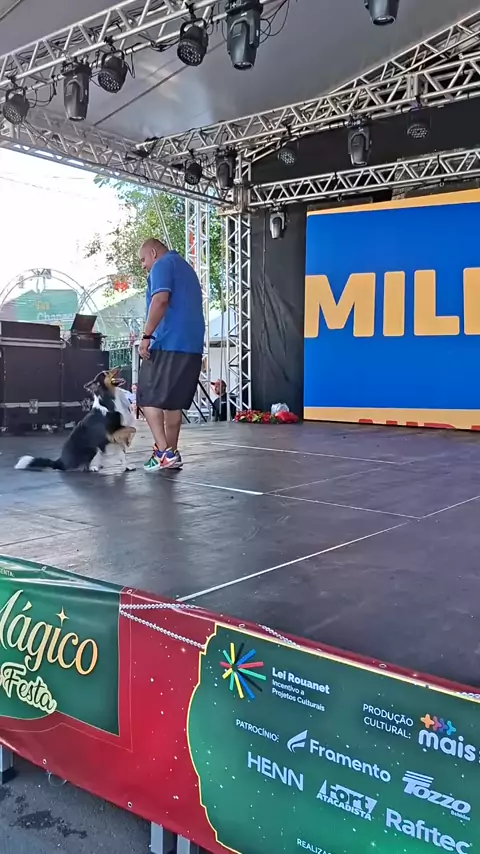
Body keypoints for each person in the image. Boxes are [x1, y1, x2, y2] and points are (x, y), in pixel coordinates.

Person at [137, 238, 205, 472]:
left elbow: (160, 300)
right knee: (172, 403)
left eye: (143, 260)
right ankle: (172, 454)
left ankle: (162, 453)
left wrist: (146, 335)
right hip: (192, 346)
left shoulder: (162, 265)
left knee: (146, 396)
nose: (143, 266)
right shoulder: (186, 268)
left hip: (168, 343)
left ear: (153, 253)